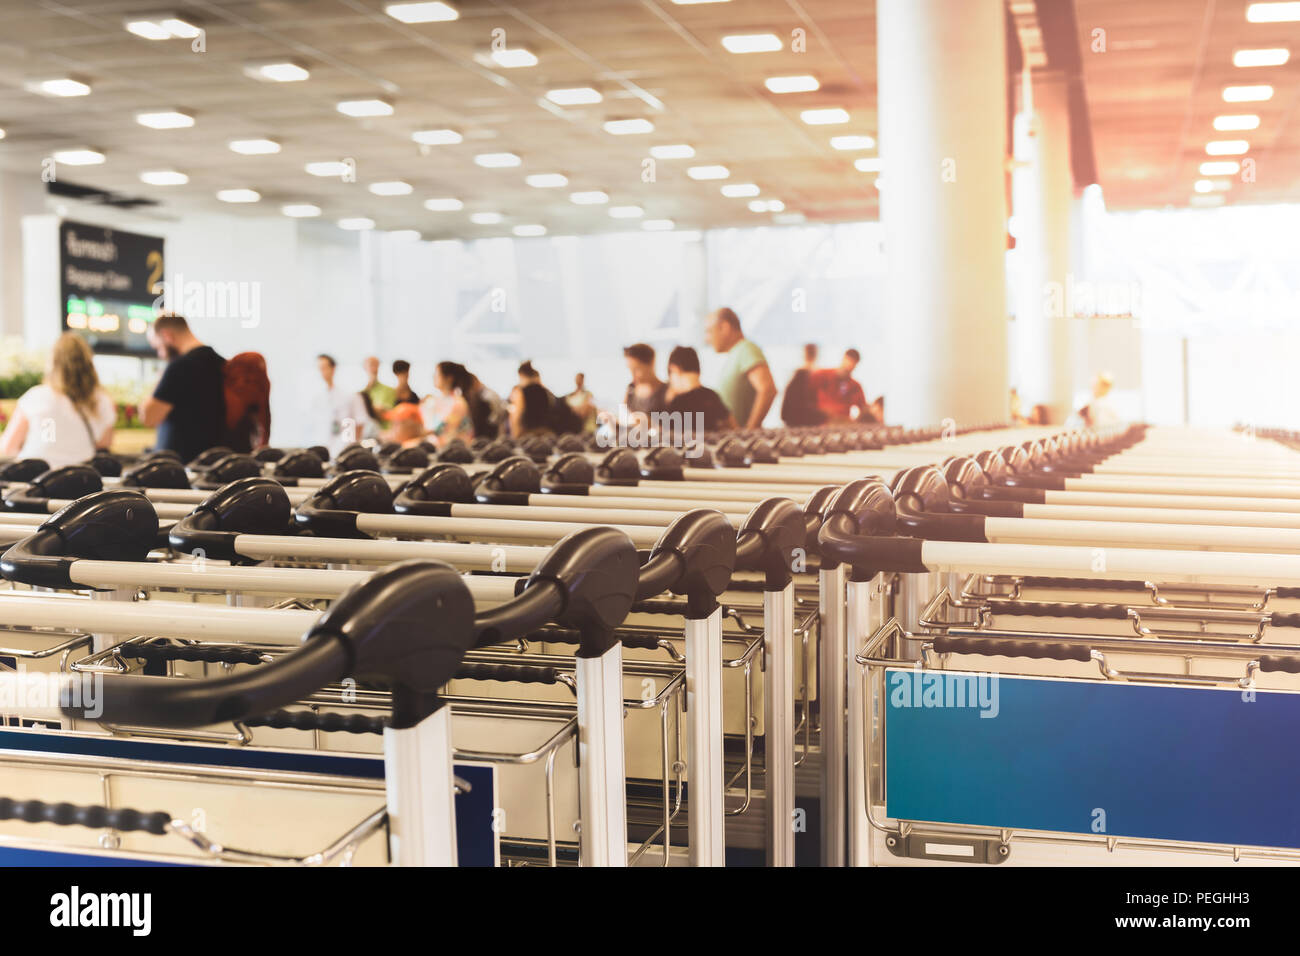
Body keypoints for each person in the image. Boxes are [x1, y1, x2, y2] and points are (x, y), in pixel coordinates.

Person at [0, 332, 116, 468]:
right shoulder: (102, 400)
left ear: (53, 363)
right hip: (80, 481)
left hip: (35, 481)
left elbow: (7, 448)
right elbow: (104, 444)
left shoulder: (36, 396)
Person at [140, 314, 226, 462]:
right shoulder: (220, 362)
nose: (160, 354)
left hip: (181, 466)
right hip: (212, 462)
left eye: (158, 347)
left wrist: (160, 378)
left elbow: (148, 417)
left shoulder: (180, 366)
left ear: (167, 336)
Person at [705, 307, 777, 429]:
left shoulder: (746, 349)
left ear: (725, 327)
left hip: (740, 443)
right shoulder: (736, 353)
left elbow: (767, 389)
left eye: (709, 331)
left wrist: (749, 431)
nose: (707, 339)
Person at [665, 346, 735, 435]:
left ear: (674, 369)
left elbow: (668, 438)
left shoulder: (676, 402)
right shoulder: (712, 396)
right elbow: (733, 427)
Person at [316, 353, 373, 456]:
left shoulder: (351, 396)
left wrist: (352, 447)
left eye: (324, 368)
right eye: (320, 368)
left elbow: (360, 423)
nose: (322, 372)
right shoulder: (318, 398)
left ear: (333, 368)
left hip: (345, 449)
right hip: (325, 448)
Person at [810, 349, 873, 423]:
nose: (849, 365)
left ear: (856, 365)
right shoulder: (822, 375)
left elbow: (864, 409)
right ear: (843, 359)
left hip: (842, 425)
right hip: (820, 423)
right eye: (848, 360)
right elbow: (806, 397)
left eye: (853, 363)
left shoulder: (855, 386)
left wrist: (855, 422)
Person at [426, 361, 474, 445]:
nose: (433, 377)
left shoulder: (458, 403)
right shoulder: (435, 400)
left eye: (437, 374)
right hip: (441, 446)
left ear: (449, 378)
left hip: (453, 451)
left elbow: (442, 429)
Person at [781, 343, 826, 427]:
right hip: (802, 425)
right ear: (816, 355)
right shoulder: (804, 375)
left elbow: (784, 413)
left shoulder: (796, 375)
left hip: (796, 423)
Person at [623, 344, 668, 418]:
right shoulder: (631, 388)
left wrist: (649, 424)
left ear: (652, 364)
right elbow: (623, 416)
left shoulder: (667, 393)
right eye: (630, 369)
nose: (633, 375)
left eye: (637, 369)